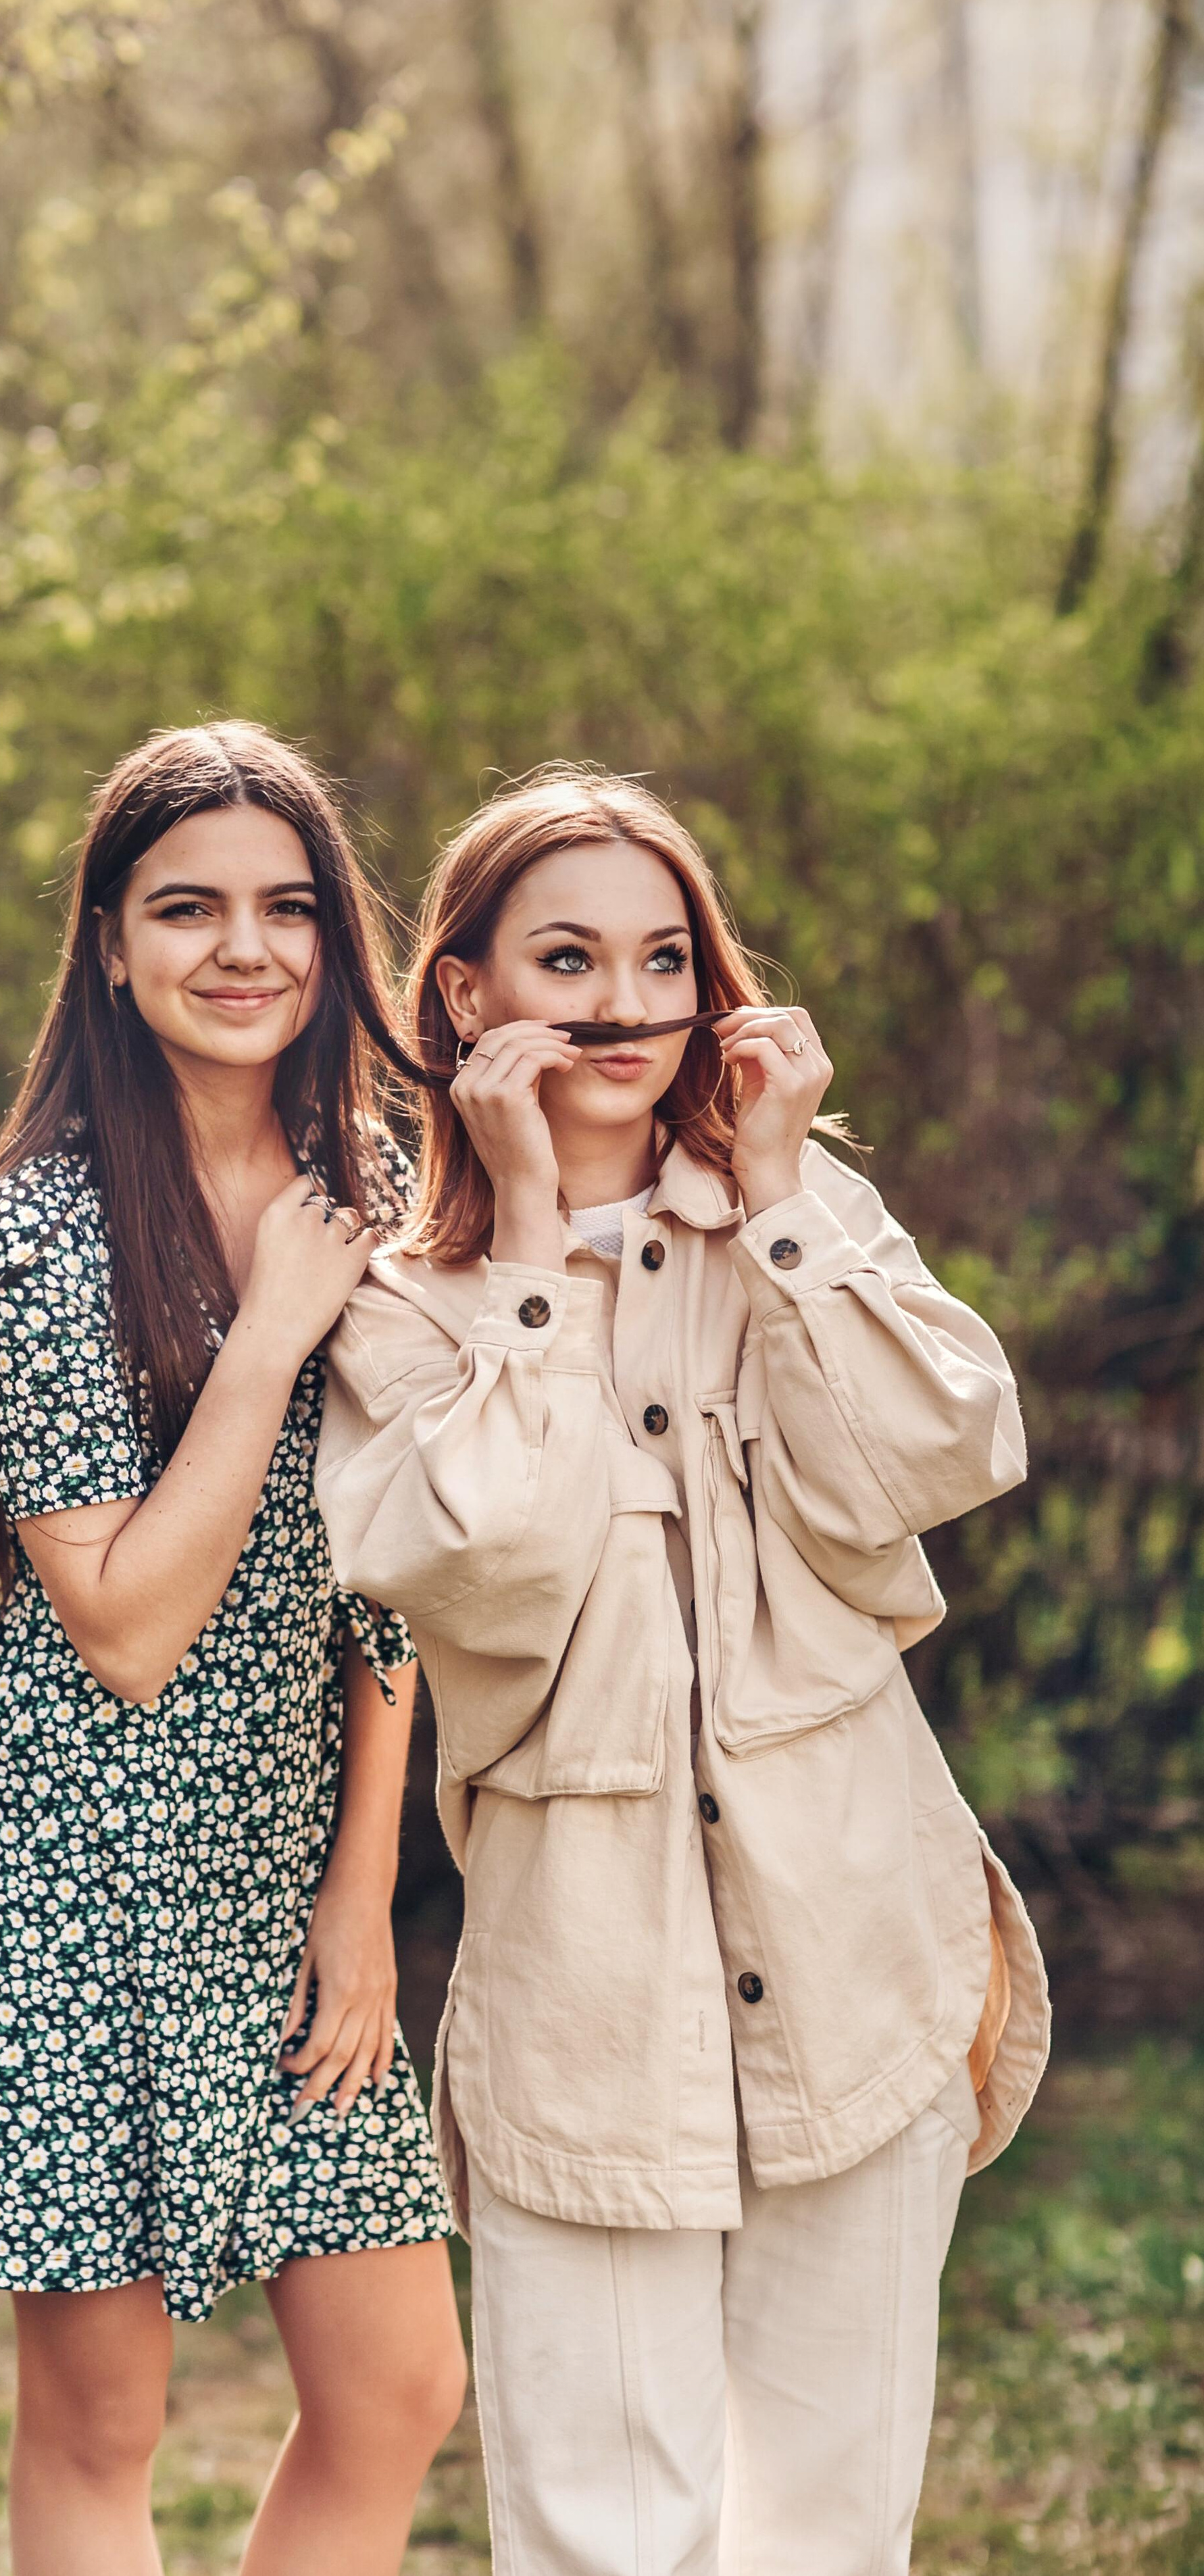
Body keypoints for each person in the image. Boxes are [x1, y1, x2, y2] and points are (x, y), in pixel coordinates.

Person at [316, 768, 1051, 2576]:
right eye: (568, 958)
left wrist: (784, 1200)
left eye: (666, 958)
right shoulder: (406, 1310)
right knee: (597, 2528)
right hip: (589, 2000)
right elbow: (487, 1571)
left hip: (858, 1946)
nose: (629, 1003)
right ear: (468, 995)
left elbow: (938, 1456)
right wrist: (541, 1238)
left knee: (829, 2521)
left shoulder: (806, 1217)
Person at [0, 722, 463, 2576]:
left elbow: (398, 1581)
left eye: (286, 907)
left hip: (290, 1879)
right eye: (186, 908)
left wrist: (364, 1892)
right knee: (104, 2422)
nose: (244, 948)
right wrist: (272, 1332)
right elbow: (121, 1624)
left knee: (398, 2391)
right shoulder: (38, 1233)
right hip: (75, 1877)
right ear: (109, 945)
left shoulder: (373, 1180)